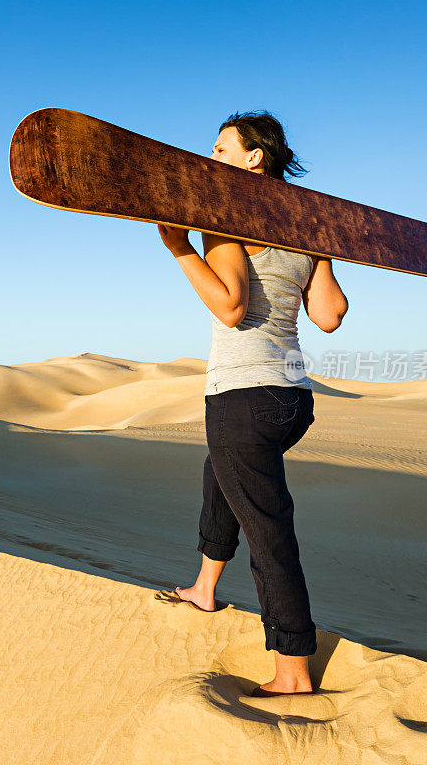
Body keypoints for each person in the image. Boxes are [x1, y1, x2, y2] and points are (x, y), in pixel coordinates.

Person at [158, 110, 349, 697]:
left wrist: (179, 246)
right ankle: (204, 588)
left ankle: (292, 668)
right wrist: (320, 250)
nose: (211, 158)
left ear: (251, 160)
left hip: (243, 393)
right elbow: (330, 315)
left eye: (220, 149)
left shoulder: (227, 221)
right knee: (224, 475)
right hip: (292, 398)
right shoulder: (302, 227)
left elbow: (232, 306)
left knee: (268, 529)